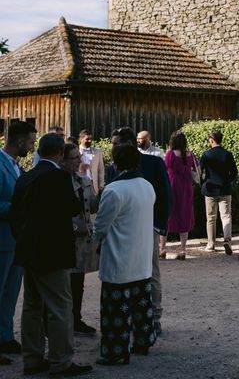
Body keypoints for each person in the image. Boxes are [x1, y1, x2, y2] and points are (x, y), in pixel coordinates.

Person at [9, 133, 92, 377]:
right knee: (60, 307)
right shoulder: (58, 177)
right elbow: (72, 207)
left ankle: (32, 358)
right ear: (58, 153)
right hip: (53, 252)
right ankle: (61, 361)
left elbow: (15, 215)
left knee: (32, 307)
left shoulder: (26, 176)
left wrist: (23, 240)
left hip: (28, 250)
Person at [93, 144, 156, 365]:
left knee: (115, 309)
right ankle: (143, 341)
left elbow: (100, 226)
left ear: (115, 163)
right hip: (141, 255)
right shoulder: (147, 186)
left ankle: (116, 350)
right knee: (141, 303)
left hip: (119, 256)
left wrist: (93, 240)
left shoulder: (114, 190)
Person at [110, 127, 172, 337]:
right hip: (122, 230)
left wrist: (159, 226)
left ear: (128, 144)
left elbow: (165, 195)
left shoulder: (154, 163)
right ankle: (127, 316)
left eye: (116, 144)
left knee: (151, 271)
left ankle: (154, 316)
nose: (113, 148)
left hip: (148, 228)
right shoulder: (113, 167)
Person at [0, 121, 36, 366]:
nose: (32, 146)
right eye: (31, 142)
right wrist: (18, 209)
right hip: (2, 238)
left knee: (11, 293)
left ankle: (4, 337)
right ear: (20, 141)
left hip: (16, 240)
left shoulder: (16, 166)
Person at [60, 144, 99, 335]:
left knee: (78, 282)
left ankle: (76, 319)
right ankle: (60, 321)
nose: (79, 161)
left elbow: (92, 207)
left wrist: (101, 194)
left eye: (79, 157)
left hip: (82, 239)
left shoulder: (83, 180)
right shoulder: (58, 182)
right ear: (63, 160)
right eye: (74, 158)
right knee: (61, 283)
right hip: (64, 238)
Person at [199, 130, 237, 254]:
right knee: (226, 216)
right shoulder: (227, 154)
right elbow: (234, 173)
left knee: (211, 217)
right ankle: (227, 240)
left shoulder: (206, 154)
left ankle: (211, 243)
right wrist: (227, 181)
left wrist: (203, 182)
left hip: (210, 188)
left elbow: (200, 172)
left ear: (211, 140)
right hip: (224, 189)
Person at [162, 131, 196, 260]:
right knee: (184, 216)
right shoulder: (189, 155)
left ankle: (163, 248)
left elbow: (165, 169)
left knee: (167, 217)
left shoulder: (170, 154)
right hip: (186, 189)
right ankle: (183, 249)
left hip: (171, 187)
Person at [77, 129, 105, 196]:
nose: (90, 141)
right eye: (87, 139)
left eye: (91, 139)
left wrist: (101, 186)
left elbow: (101, 170)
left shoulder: (97, 152)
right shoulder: (76, 152)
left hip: (93, 185)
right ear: (81, 139)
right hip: (80, 183)